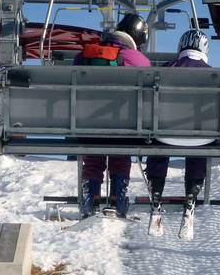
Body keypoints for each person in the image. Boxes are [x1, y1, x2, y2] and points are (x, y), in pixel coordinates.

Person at [76, 13, 151, 218]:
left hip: (88, 126)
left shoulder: (85, 55)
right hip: (124, 128)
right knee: (121, 149)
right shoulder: (137, 60)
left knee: (93, 154)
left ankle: (90, 197)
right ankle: (118, 195)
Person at [145, 29, 211, 207]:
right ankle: (192, 192)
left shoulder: (165, 69)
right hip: (199, 137)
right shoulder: (213, 74)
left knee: (158, 139)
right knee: (200, 140)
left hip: (164, 134)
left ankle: (156, 189)